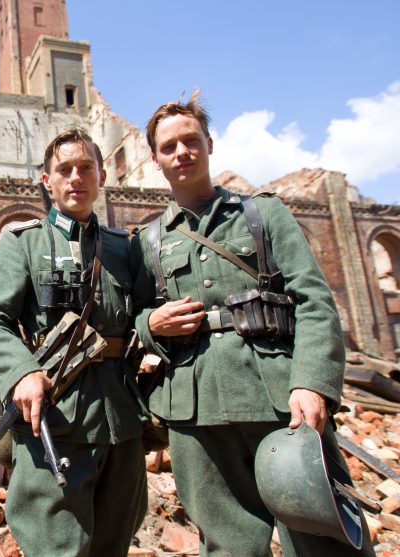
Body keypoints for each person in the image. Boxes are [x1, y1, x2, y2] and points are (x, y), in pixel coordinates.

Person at [132, 91, 375, 556]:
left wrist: (312, 383)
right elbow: (131, 320)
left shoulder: (263, 214)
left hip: (280, 397)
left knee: (323, 533)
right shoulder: (147, 241)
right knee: (228, 544)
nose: (182, 151)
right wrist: (151, 324)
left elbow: (314, 300)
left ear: (208, 144)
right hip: (194, 410)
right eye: (169, 147)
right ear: (156, 161)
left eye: (191, 140)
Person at [0, 128, 148, 557]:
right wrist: (21, 373)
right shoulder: (24, 242)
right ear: (46, 181)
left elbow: (141, 318)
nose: (76, 178)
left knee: (115, 542)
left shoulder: (125, 249)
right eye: (64, 170)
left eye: (86, 168)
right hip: (56, 418)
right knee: (56, 546)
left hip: (121, 422)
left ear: (102, 176)